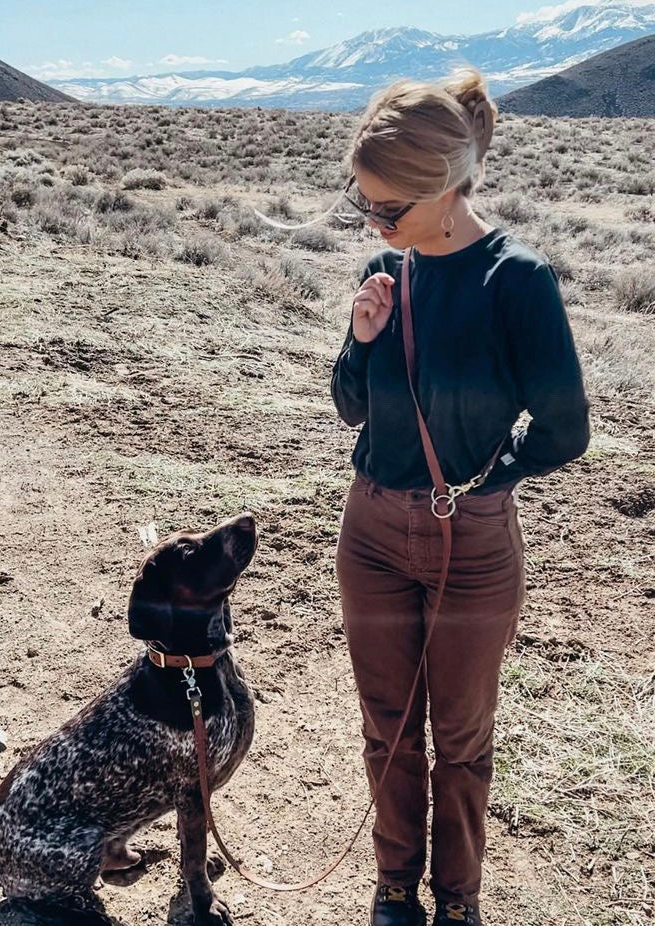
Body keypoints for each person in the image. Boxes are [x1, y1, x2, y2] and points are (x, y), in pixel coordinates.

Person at [330, 69, 590, 926]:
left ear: (442, 187)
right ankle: (394, 888)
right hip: (369, 532)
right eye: (362, 206)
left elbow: (564, 430)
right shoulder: (384, 272)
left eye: (387, 210)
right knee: (388, 729)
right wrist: (362, 341)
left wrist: (486, 481)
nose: (374, 225)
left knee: (463, 740)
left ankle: (458, 900)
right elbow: (352, 408)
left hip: (472, 547)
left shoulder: (518, 283)